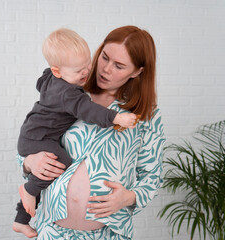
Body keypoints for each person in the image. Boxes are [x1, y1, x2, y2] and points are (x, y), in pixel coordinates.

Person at [16, 25, 166, 239]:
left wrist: (129, 197)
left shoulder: (145, 115)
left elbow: (152, 175)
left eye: (119, 66)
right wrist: (29, 161)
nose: (105, 69)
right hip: (51, 230)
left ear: (137, 71)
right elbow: (32, 137)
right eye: (104, 57)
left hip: (108, 234)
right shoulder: (69, 92)